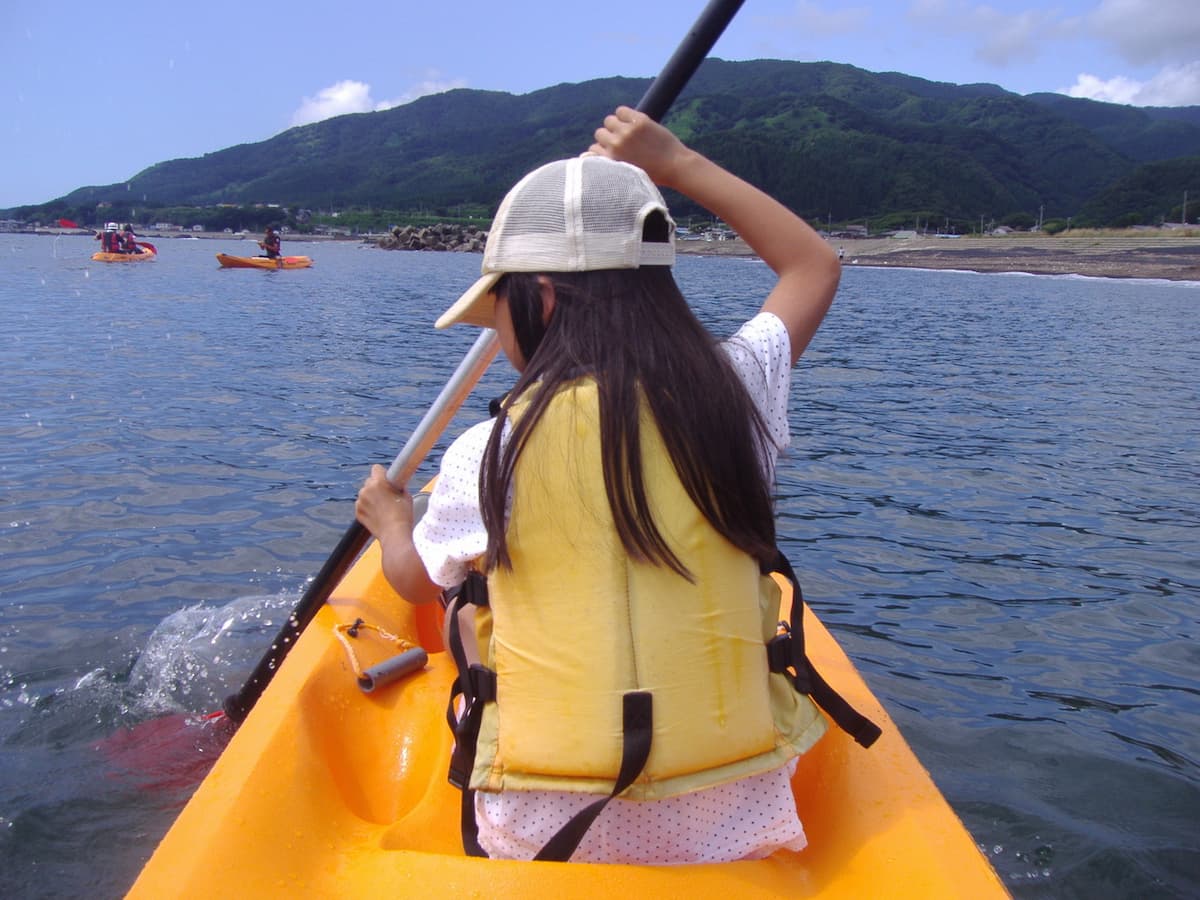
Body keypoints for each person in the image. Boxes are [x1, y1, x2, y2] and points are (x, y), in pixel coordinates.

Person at [356, 107, 857, 864]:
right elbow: (813, 265)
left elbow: (411, 582)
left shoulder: (486, 449)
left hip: (542, 834)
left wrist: (391, 519)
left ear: (545, 298)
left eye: (501, 309)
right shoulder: (738, 396)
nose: (501, 334)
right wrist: (678, 161)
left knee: (464, 600)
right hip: (734, 819)